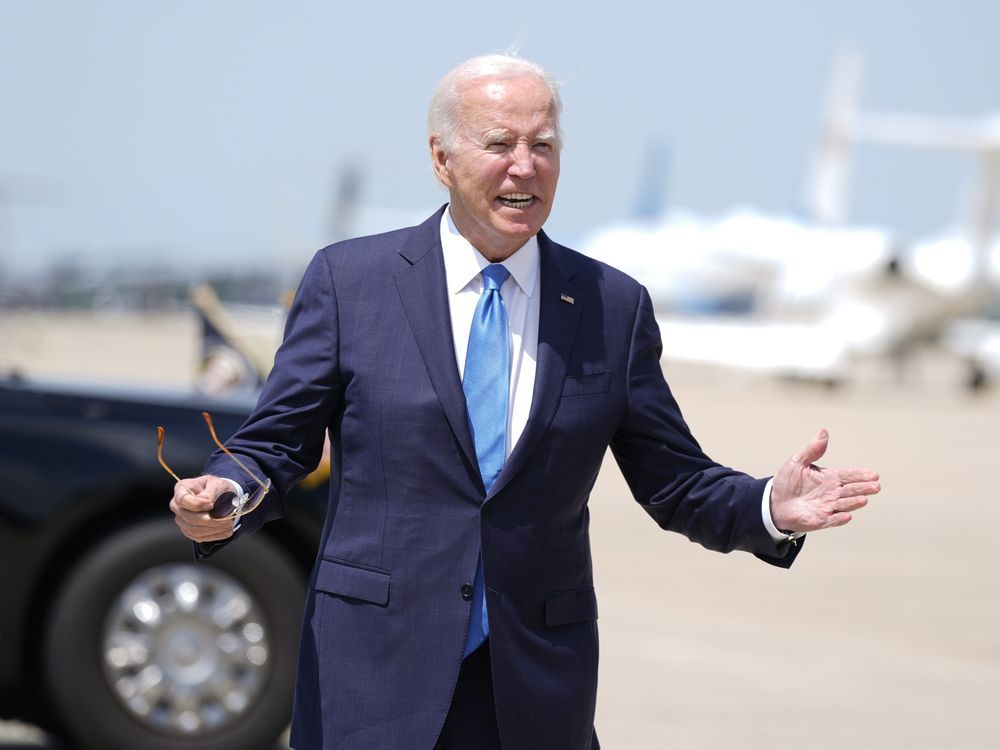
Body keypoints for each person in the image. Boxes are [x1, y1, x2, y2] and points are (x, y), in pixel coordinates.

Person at [169, 54, 880, 750]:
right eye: (500, 144)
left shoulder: (611, 306)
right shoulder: (349, 283)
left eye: (543, 145)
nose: (525, 166)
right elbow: (276, 443)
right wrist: (227, 495)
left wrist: (769, 506)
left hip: (533, 687)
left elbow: (675, 481)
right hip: (374, 675)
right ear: (442, 158)